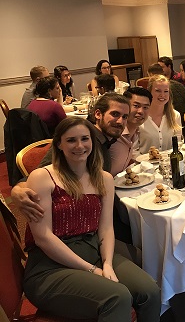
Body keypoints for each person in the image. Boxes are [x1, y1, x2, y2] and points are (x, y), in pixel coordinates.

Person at [23, 116, 161, 320]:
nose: (79, 146)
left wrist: (106, 263)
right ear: (59, 144)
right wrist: (93, 270)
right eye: (71, 140)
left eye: (85, 139)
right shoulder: (42, 177)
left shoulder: (103, 178)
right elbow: (43, 238)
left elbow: (105, 229)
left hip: (92, 250)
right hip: (50, 265)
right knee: (117, 296)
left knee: (149, 291)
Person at [11, 93, 134, 245]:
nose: (120, 121)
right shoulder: (80, 143)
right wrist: (17, 189)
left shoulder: (105, 141)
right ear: (98, 114)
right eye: (115, 114)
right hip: (72, 227)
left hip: (94, 217)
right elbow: (42, 171)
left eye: (125, 117)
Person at [110, 87, 152, 176]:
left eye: (145, 107)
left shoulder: (136, 133)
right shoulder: (113, 134)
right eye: (136, 106)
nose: (141, 111)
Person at [138, 74, 182, 153]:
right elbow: (134, 150)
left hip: (169, 162)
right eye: (158, 91)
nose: (162, 95)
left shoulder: (175, 116)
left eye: (166, 91)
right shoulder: (139, 116)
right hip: (144, 164)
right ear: (149, 92)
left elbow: (178, 144)